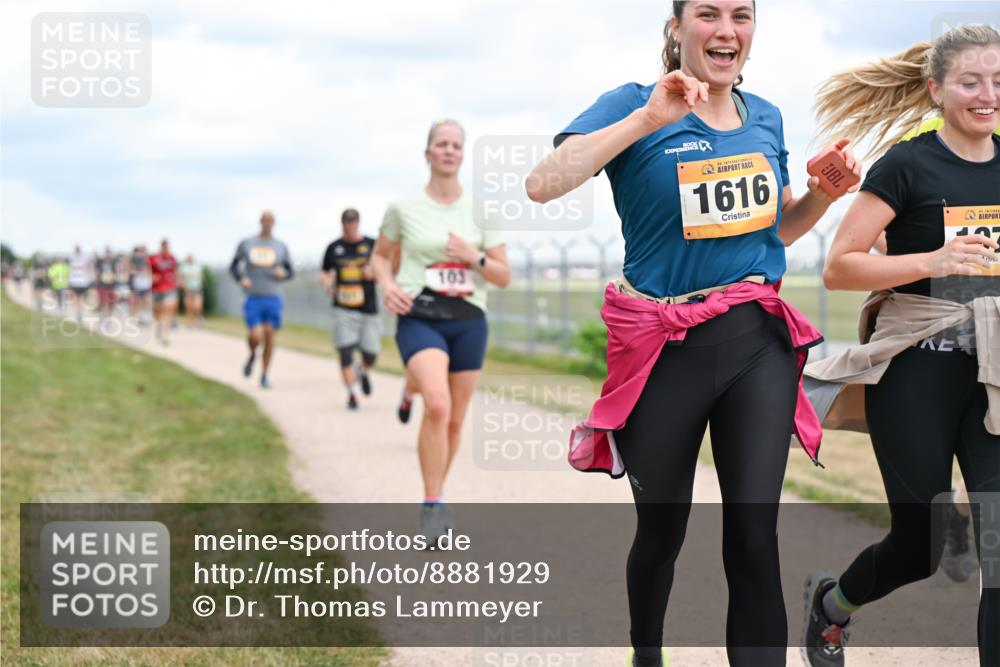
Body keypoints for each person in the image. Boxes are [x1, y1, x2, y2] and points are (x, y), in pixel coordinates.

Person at [526, 3, 862, 665]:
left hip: (754, 341)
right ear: (677, 27)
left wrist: (823, 195)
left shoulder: (766, 117)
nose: (727, 29)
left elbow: (777, 230)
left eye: (742, 15)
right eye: (708, 13)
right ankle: (646, 651)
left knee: (755, 537)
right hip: (662, 348)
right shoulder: (633, 103)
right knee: (661, 533)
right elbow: (542, 184)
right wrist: (649, 119)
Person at [801, 25, 1000, 667]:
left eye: (998, 81)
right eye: (970, 82)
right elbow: (841, 267)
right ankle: (832, 606)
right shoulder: (907, 165)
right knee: (920, 547)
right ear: (936, 90)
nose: (987, 94)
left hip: (993, 377)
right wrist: (934, 260)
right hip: (917, 372)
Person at [372, 118, 510, 543]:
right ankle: (432, 506)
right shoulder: (403, 207)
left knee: (454, 420)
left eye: (456, 145)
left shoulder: (481, 211)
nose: (449, 150)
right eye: (442, 144)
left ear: (462, 155)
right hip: (420, 313)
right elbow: (379, 257)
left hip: (468, 320)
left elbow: (503, 275)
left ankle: (437, 495)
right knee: (436, 404)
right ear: (427, 153)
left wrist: (473, 257)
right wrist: (387, 285)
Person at [321, 208, 381, 410]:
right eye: (347, 223)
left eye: (353, 223)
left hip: (368, 307)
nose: (350, 227)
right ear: (342, 224)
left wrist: (374, 273)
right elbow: (324, 271)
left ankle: (362, 370)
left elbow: (386, 268)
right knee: (345, 351)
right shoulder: (334, 247)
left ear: (358, 223)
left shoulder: (371, 245)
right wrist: (327, 282)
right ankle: (352, 394)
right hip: (343, 307)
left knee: (370, 354)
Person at [230, 210, 294, 389]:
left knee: (270, 336)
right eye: (265, 220)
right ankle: (252, 354)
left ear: (274, 223)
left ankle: (265, 374)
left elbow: (291, 271)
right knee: (255, 334)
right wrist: (241, 279)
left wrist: (284, 274)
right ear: (260, 221)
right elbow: (234, 266)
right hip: (253, 296)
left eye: (270, 220)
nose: (267, 223)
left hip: (273, 296)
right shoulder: (247, 243)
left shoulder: (280, 246)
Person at [149, 239, 179, 345]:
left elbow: (175, 270)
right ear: (161, 247)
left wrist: (177, 279)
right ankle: (159, 324)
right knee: (157, 311)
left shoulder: (172, 258)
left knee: (168, 309)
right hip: (157, 288)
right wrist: (152, 276)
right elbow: (147, 269)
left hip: (170, 287)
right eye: (164, 247)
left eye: (167, 247)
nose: (166, 249)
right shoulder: (154, 258)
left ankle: (166, 334)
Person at [66, 246, 93, 321]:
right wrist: (69, 279)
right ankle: (78, 313)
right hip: (75, 282)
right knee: (76, 299)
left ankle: (81, 312)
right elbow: (70, 269)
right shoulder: (72, 258)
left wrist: (90, 278)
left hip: (83, 282)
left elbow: (88, 268)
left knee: (82, 298)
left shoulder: (85, 258)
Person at [129, 245, 153, 326]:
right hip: (138, 284)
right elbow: (131, 270)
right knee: (139, 302)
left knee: (147, 301)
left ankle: (146, 318)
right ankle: (139, 319)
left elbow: (150, 271)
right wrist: (139, 272)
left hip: (146, 283)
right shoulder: (134, 260)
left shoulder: (148, 260)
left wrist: (147, 274)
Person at [179, 254, 204, 327]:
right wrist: (184, 287)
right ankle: (190, 322)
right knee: (189, 306)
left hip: (197, 289)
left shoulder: (197, 267)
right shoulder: (183, 268)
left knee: (197, 306)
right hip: (188, 289)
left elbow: (201, 277)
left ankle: (198, 316)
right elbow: (181, 278)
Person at [95, 247, 118, 319]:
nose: (108, 254)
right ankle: (102, 315)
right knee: (102, 300)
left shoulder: (114, 261)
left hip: (111, 284)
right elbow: (96, 271)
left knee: (111, 302)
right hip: (102, 284)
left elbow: (116, 271)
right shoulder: (100, 261)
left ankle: (109, 316)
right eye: (107, 252)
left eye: (109, 253)